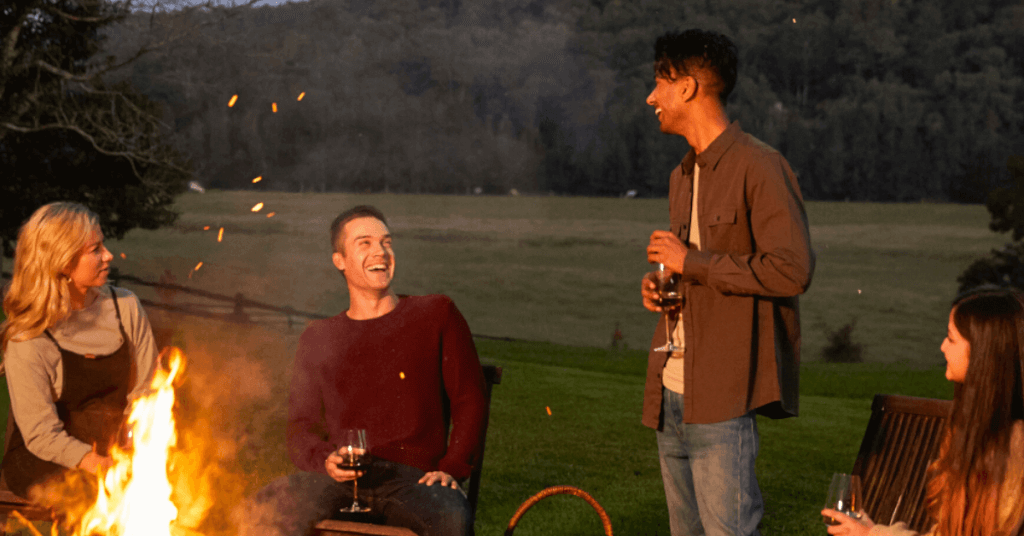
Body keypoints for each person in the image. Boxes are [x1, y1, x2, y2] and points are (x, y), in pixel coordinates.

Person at [639, 29, 815, 536]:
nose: (651, 97)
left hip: (721, 397)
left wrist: (692, 263)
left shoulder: (760, 166)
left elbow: (792, 269)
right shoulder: (682, 174)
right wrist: (664, 287)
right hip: (671, 391)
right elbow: (694, 269)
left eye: (660, 82)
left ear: (689, 87)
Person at [241, 205, 488, 536]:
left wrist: (452, 468)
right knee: (262, 509)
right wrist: (324, 459)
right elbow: (300, 427)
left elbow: (469, 398)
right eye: (365, 243)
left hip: (416, 481)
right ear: (339, 260)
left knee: (451, 521)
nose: (381, 252)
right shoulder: (319, 337)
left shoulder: (435, 314)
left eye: (386, 242)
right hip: (341, 480)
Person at [823, 288, 1024, 536]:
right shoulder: (974, 430)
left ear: (983, 352)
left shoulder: (1014, 446)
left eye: (951, 338)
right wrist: (872, 532)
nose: (942, 347)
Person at [0, 202, 159, 499]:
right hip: (48, 459)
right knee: (94, 496)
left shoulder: (125, 307)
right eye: (95, 249)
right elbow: (41, 434)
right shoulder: (30, 337)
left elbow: (147, 391)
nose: (108, 255)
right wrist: (98, 465)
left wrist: (139, 451)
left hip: (113, 449)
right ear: (63, 262)